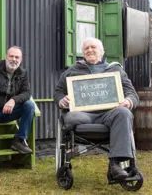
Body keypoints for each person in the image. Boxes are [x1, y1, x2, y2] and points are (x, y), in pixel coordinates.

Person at [53, 37, 140, 180]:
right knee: (70, 116)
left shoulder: (115, 69)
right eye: (86, 48)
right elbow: (58, 92)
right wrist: (62, 100)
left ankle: (115, 165)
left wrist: (128, 101)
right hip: (83, 116)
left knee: (124, 112)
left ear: (101, 51)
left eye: (93, 47)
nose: (89, 50)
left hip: (109, 115)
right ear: (82, 53)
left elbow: (132, 93)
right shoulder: (73, 70)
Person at [0, 46, 36, 179]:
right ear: (6, 56)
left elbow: (27, 93)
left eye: (17, 57)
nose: (14, 59)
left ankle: (19, 140)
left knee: (29, 105)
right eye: (11, 56)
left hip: (7, 111)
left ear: (20, 60)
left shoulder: (22, 72)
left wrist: (14, 100)